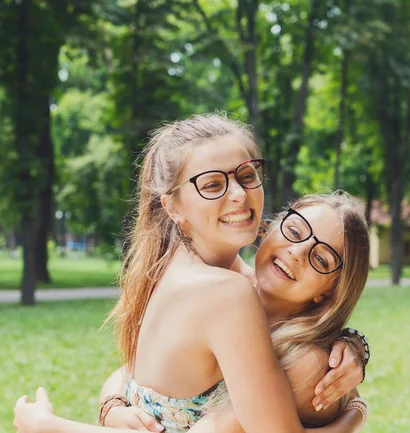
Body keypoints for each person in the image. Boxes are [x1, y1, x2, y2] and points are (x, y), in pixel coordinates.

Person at [13, 114, 370, 433]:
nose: (238, 194)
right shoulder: (227, 293)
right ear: (173, 206)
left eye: (247, 176)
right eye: (212, 184)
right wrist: (354, 414)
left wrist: (354, 345)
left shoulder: (191, 268)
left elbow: (131, 376)